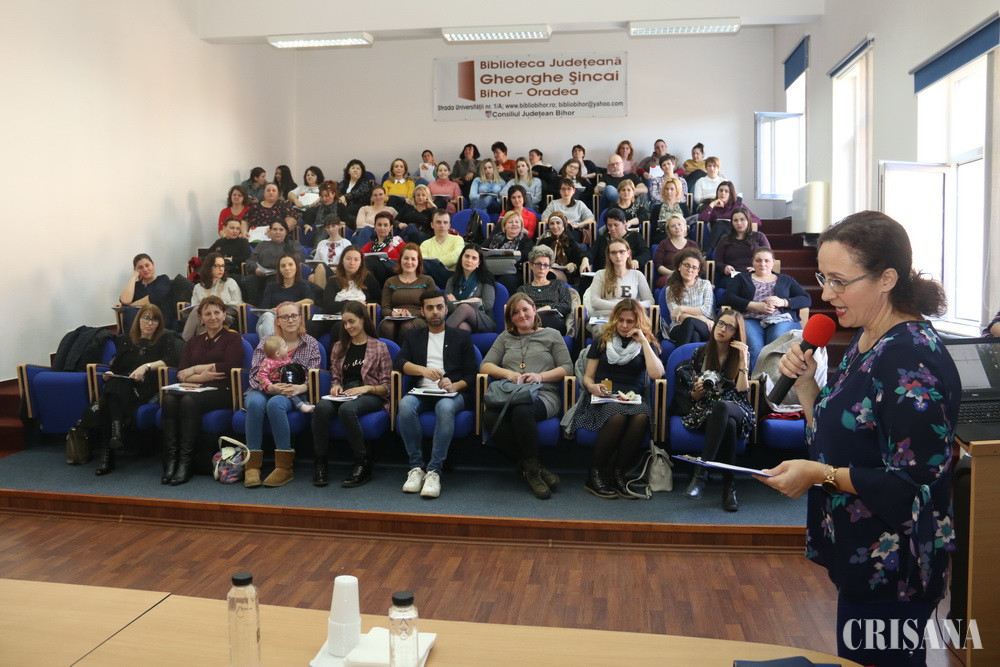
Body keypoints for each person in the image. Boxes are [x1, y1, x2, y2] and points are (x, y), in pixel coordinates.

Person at [760, 211, 960, 667]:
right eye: (822, 278)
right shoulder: (870, 337)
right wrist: (807, 388)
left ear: (887, 278)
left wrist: (820, 475)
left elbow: (912, 483)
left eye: (838, 281)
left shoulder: (909, 357)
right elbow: (840, 437)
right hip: (862, 553)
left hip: (895, 568)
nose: (826, 294)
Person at [481, 294, 573, 499]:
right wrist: (509, 374)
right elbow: (485, 365)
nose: (522, 315)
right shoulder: (505, 337)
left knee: (522, 411)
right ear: (511, 318)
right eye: (515, 313)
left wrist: (540, 376)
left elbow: (567, 367)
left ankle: (531, 473)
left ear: (534, 310)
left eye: (525, 309)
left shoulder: (552, 335)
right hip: (512, 394)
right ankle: (534, 468)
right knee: (489, 417)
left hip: (544, 394)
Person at [572, 299, 663, 497]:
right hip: (603, 396)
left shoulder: (646, 342)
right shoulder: (601, 339)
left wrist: (644, 342)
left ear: (638, 322)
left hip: (633, 397)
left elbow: (657, 374)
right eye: (620, 320)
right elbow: (588, 377)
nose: (623, 325)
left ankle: (618, 473)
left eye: (630, 321)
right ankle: (595, 473)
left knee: (641, 416)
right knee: (617, 416)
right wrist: (592, 387)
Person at [395, 290, 479, 498]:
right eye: (430, 308)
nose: (435, 312)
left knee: (444, 407)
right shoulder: (413, 335)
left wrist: (456, 385)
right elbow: (400, 362)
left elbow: (472, 374)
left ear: (446, 309)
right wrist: (422, 371)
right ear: (422, 311)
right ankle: (416, 468)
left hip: (452, 394)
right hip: (422, 391)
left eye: (439, 307)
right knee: (405, 405)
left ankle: (434, 471)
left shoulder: (461, 337)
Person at [674, 309, 753, 511]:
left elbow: (742, 393)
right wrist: (697, 391)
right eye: (721, 323)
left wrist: (743, 362)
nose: (723, 329)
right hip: (708, 409)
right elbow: (692, 397)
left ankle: (701, 473)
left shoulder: (741, 355)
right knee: (728, 424)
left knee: (724, 407)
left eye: (730, 327)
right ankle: (729, 486)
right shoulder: (700, 353)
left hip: (737, 406)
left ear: (736, 333)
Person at [160, 296, 243, 486]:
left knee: (188, 401)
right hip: (195, 388)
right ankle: (171, 460)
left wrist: (195, 370)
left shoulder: (233, 338)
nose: (213, 317)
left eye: (217, 312)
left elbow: (229, 366)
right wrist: (200, 377)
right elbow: (181, 372)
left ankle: (186, 463)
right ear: (200, 318)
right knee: (169, 399)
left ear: (224, 315)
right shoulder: (193, 342)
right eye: (207, 314)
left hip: (223, 391)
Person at [310, 300, 392, 488]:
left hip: (371, 393)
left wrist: (366, 388)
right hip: (346, 392)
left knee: (347, 410)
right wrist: (335, 386)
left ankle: (362, 463)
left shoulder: (379, 347)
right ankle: (320, 462)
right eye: (345, 323)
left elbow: (387, 387)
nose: (348, 327)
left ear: (363, 320)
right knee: (321, 407)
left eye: (351, 321)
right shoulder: (339, 346)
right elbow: (336, 377)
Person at [243, 301, 323, 488]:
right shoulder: (267, 341)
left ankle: (284, 467)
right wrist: (271, 387)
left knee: (275, 404)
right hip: (264, 388)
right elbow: (254, 374)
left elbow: (314, 376)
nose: (290, 320)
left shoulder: (310, 343)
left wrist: (300, 388)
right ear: (277, 321)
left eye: (294, 316)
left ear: (300, 318)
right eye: (285, 317)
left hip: (292, 392)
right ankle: (252, 466)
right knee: (254, 403)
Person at [92, 304, 180, 475]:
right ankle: (116, 434)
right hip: (123, 387)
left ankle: (108, 453)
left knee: (109, 398)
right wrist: (110, 373)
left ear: (159, 323)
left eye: (154, 319)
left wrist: (145, 367)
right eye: (146, 318)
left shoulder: (165, 338)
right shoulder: (125, 340)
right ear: (138, 319)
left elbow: (170, 360)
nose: (150, 323)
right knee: (114, 385)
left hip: (146, 388)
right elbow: (116, 368)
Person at [721, 247, 810, 366]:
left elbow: (806, 299)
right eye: (758, 260)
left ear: (773, 262)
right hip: (749, 318)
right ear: (752, 262)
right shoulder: (741, 278)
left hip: (779, 319)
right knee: (755, 346)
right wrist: (754, 306)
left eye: (767, 261)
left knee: (776, 341)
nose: (762, 264)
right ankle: (756, 377)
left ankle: (774, 376)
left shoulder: (786, 279)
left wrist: (783, 302)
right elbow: (728, 297)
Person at [583, 238, 653, 337]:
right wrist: (621, 306)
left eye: (621, 252)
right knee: (604, 334)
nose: (618, 256)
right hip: (605, 318)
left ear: (628, 253)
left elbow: (650, 301)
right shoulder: (600, 274)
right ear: (609, 256)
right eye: (613, 253)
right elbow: (594, 301)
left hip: (629, 319)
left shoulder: (637, 275)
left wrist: (631, 306)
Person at [312, 246, 380, 342]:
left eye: (356, 259)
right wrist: (353, 303)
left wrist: (362, 306)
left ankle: (337, 352)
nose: (352, 263)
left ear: (361, 262)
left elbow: (377, 299)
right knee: (310, 325)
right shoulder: (333, 280)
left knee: (339, 327)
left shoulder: (369, 278)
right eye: (348, 259)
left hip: (355, 318)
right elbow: (328, 305)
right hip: (333, 315)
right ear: (342, 261)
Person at [379, 243, 436, 340]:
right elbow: (384, 308)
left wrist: (412, 314)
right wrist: (392, 313)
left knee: (406, 326)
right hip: (394, 317)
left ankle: (405, 350)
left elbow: (431, 307)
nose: (409, 262)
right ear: (400, 260)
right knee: (387, 326)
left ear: (418, 262)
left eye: (413, 259)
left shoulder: (427, 280)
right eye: (406, 258)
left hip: (418, 319)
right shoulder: (390, 282)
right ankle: (387, 350)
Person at [181, 252, 241, 340]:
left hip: (225, 318)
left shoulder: (230, 283)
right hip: (204, 320)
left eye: (223, 266)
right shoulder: (198, 287)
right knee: (198, 311)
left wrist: (218, 307)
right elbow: (195, 308)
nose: (221, 269)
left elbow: (238, 305)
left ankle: (185, 342)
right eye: (217, 266)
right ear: (209, 267)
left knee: (203, 316)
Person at [244, 219, 305, 304]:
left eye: (281, 229)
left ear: (286, 232)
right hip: (261, 273)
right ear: (269, 231)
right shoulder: (262, 244)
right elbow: (251, 260)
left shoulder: (293, 244)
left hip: (282, 273)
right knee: (250, 279)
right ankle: (253, 305)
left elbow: (299, 258)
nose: (277, 232)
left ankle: (267, 306)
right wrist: (256, 268)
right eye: (275, 229)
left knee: (273, 280)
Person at [515, 245, 572, 334]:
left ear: (549, 267)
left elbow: (566, 306)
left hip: (554, 322)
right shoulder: (523, 289)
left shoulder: (558, 285)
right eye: (538, 264)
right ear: (531, 265)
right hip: (532, 322)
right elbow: (520, 309)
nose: (542, 268)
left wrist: (549, 307)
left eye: (545, 265)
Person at [256, 254, 315, 339]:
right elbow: (264, 308)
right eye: (283, 266)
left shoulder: (303, 285)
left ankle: (273, 346)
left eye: (290, 264)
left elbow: (310, 300)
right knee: (267, 316)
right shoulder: (271, 286)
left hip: (290, 321)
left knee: (262, 329)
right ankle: (277, 346)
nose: (287, 268)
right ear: (279, 270)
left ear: (296, 267)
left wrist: (285, 308)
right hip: (273, 319)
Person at [663, 249, 714, 345]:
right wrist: (702, 319)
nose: (690, 270)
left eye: (694, 267)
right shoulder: (670, 289)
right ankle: (693, 356)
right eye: (687, 265)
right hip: (679, 326)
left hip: (704, 326)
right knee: (694, 334)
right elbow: (675, 316)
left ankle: (679, 354)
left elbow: (706, 310)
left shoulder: (705, 284)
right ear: (679, 266)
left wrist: (681, 308)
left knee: (690, 323)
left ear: (698, 271)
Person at [714, 207, 771, 290]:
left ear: (748, 220)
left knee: (751, 286)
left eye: (742, 219)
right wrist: (725, 267)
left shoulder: (759, 236)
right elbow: (718, 262)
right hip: (732, 277)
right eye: (735, 220)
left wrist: (757, 268)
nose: (739, 223)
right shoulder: (725, 239)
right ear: (732, 222)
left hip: (755, 275)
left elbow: (768, 259)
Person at [255, 335, 314, 414]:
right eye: (284, 347)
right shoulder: (267, 362)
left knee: (297, 389)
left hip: (287, 380)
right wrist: (268, 385)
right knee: (289, 392)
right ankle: (301, 405)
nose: (287, 347)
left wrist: (299, 375)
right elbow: (261, 375)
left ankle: (306, 403)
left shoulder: (286, 359)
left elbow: (292, 369)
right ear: (277, 353)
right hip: (276, 384)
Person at [698, 180, 761, 254]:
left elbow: (758, 221)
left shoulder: (739, 206)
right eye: (720, 190)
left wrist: (741, 221)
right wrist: (712, 204)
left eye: (726, 191)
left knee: (721, 224)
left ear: (731, 194)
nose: (723, 193)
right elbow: (702, 219)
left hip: (736, 232)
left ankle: (706, 252)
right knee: (722, 234)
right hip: (720, 236)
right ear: (717, 192)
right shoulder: (714, 207)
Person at [444, 244, 496, 333]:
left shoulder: (486, 278)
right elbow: (447, 305)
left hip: (483, 320)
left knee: (465, 308)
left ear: (479, 262)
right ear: (461, 257)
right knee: (463, 327)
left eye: (474, 258)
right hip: (460, 320)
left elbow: (488, 305)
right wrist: (473, 301)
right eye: (467, 256)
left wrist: (458, 302)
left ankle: (439, 335)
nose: (469, 260)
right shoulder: (452, 280)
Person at [583, 209, 651, 274]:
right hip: (605, 275)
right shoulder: (602, 239)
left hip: (628, 274)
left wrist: (637, 260)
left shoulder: (635, 236)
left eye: (616, 225)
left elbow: (646, 253)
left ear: (624, 223)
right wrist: (585, 259)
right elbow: (591, 252)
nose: (612, 228)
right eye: (609, 225)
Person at [485, 210, 535, 296]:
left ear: (521, 225)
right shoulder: (494, 238)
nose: (514, 224)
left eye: (517, 222)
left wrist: (508, 254)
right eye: (510, 222)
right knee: (485, 278)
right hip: (492, 270)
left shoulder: (526, 241)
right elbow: (482, 250)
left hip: (513, 272)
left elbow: (527, 254)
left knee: (507, 280)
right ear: (504, 225)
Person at [119, 253, 172, 331]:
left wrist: (131, 306)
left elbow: (154, 298)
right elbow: (125, 300)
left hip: (159, 318)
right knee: (129, 311)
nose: (145, 269)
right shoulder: (135, 285)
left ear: (153, 264)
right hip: (139, 321)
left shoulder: (163, 279)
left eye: (147, 265)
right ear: (135, 270)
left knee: (129, 311)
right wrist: (133, 277)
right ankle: (132, 338)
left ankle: (132, 338)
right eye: (140, 267)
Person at [540, 178, 597, 245]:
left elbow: (591, 218)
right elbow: (544, 218)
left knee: (569, 235)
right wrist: (562, 223)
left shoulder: (579, 204)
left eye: (569, 189)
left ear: (574, 191)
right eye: (563, 189)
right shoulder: (554, 203)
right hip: (557, 230)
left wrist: (578, 225)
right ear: (560, 191)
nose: (566, 192)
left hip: (574, 230)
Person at [536, 211, 585, 285]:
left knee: (549, 274)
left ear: (563, 225)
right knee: (547, 272)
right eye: (552, 224)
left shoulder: (570, 242)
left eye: (558, 223)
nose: (555, 226)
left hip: (566, 274)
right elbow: (538, 259)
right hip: (547, 271)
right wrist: (550, 264)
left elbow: (577, 261)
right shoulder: (544, 241)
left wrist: (573, 265)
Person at [419, 208, 465, 287]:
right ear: (432, 225)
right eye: (438, 222)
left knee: (426, 265)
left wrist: (434, 263)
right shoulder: (425, 244)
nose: (442, 226)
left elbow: (454, 258)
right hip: (431, 279)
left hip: (451, 278)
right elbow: (422, 264)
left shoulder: (458, 239)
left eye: (445, 222)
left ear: (449, 225)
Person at [653, 214, 699, 289]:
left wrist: (687, 274)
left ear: (685, 226)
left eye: (679, 224)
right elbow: (658, 265)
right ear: (669, 230)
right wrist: (674, 273)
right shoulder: (664, 244)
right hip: (669, 276)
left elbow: (699, 264)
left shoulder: (692, 244)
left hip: (689, 276)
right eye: (673, 226)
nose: (677, 227)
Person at [308, 215, 352, 290]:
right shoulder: (322, 243)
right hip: (322, 270)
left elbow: (348, 262)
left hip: (338, 270)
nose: (331, 229)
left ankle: (321, 296)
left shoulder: (346, 243)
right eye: (328, 227)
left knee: (319, 269)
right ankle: (323, 295)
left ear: (339, 226)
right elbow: (316, 261)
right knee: (312, 276)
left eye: (333, 226)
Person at [360, 211, 405, 285]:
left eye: (385, 225)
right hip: (374, 277)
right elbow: (359, 257)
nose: (382, 228)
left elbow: (408, 257)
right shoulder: (369, 245)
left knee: (369, 260)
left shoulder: (397, 241)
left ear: (390, 227)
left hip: (393, 274)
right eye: (379, 225)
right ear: (375, 227)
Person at [338, 159, 374, 228]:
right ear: (348, 171)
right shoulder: (343, 183)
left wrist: (345, 197)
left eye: (358, 168)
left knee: (345, 211)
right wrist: (341, 199)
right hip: (342, 207)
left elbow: (357, 192)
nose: (355, 170)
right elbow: (337, 192)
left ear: (361, 172)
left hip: (359, 207)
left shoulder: (365, 183)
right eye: (353, 168)